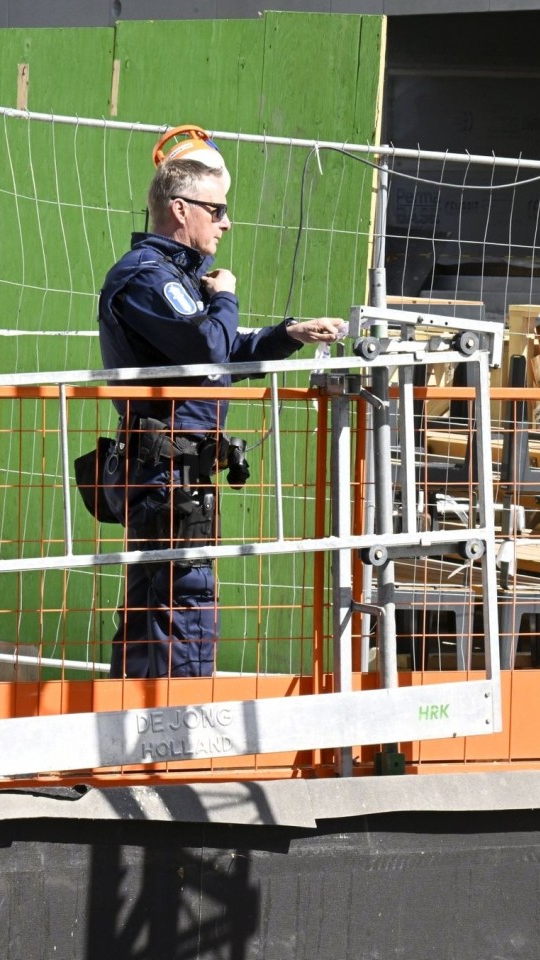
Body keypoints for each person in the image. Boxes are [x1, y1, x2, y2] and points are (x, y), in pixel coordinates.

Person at [96, 157, 343, 678]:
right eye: (217, 209)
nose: (226, 222)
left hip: (178, 473)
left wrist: (288, 334)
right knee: (182, 605)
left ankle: (134, 732)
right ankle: (174, 737)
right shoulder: (147, 276)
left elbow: (219, 347)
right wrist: (226, 294)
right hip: (167, 477)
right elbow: (209, 345)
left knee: (156, 609)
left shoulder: (177, 281)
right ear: (179, 210)